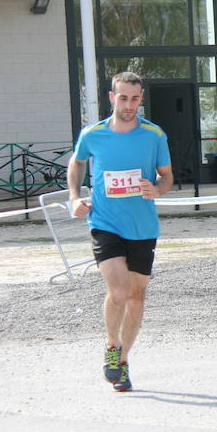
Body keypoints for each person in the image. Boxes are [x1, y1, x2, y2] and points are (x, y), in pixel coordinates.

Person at [67, 71, 173, 392]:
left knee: (137, 298)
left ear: (141, 99)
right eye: (123, 98)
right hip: (105, 224)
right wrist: (74, 197)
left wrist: (157, 189)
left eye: (135, 98)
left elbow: (166, 176)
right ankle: (111, 345)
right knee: (119, 292)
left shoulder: (154, 135)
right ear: (112, 98)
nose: (129, 104)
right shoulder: (93, 134)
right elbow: (76, 163)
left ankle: (123, 360)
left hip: (142, 227)